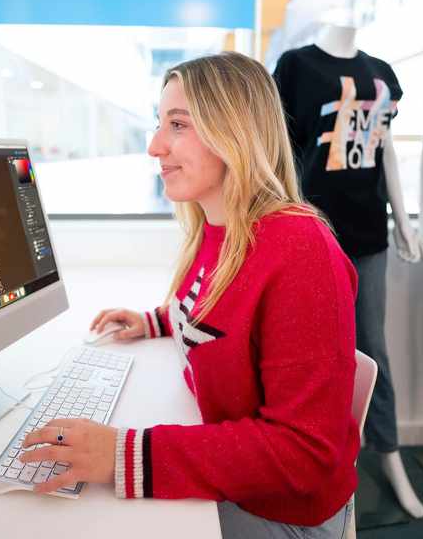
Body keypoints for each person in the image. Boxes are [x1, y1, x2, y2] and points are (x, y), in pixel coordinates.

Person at [19, 52, 360, 539]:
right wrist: (156, 321)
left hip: (285, 512)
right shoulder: (217, 227)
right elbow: (219, 315)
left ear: (235, 132)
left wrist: (124, 454)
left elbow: (304, 452)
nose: (156, 146)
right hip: (245, 483)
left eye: (178, 125)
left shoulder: (301, 251)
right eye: (160, 124)